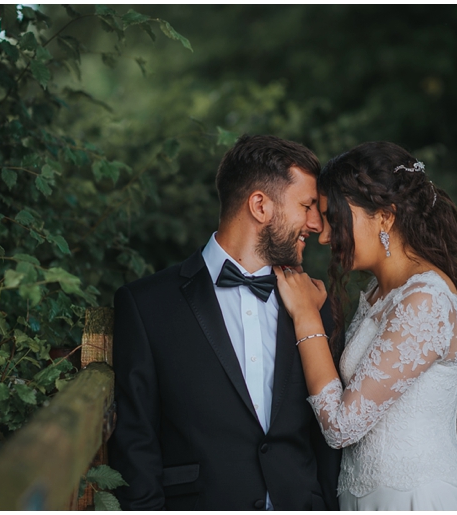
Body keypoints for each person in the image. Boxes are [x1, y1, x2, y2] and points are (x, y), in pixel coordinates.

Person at [109, 135, 341, 510]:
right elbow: (136, 444)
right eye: (307, 205)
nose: (316, 224)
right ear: (260, 206)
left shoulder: (313, 302)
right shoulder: (146, 305)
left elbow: (325, 439)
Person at [272, 141, 457, 510]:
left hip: (416, 500)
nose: (324, 236)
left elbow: (341, 426)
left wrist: (306, 318)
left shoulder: (426, 300)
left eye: (336, 219)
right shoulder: (379, 292)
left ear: (385, 217)